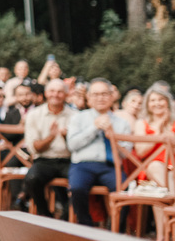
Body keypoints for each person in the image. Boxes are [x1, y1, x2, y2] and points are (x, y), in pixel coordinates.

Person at [68, 78, 133, 226]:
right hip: (82, 164)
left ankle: (116, 231)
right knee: (77, 188)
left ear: (112, 96)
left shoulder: (122, 122)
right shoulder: (78, 118)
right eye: (96, 94)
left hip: (110, 166)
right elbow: (72, 145)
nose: (100, 98)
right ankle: (86, 227)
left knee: (124, 190)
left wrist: (112, 136)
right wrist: (94, 128)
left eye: (104, 94)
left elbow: (126, 153)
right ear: (88, 97)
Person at [22, 78, 76, 218]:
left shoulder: (75, 116)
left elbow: (77, 148)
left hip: (68, 160)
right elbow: (35, 148)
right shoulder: (34, 115)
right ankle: (45, 215)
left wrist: (66, 137)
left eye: (59, 92)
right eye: (52, 91)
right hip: (44, 160)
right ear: (46, 93)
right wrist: (51, 137)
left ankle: (66, 216)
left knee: (80, 180)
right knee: (31, 179)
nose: (56, 95)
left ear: (65, 94)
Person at [133, 86, 175, 191]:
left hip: (173, 168)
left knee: (169, 177)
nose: (157, 103)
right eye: (153, 100)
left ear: (167, 102)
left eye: (161, 99)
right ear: (147, 104)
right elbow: (141, 152)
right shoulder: (141, 124)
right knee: (155, 167)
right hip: (151, 171)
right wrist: (157, 128)